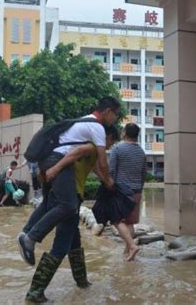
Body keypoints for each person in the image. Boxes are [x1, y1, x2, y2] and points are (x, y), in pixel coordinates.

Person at [17, 96, 120, 268]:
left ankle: (81, 283)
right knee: (68, 206)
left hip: (48, 159)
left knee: (53, 207)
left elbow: (94, 164)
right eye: (115, 114)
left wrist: (104, 178)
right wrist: (109, 181)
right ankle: (30, 239)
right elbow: (102, 162)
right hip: (58, 160)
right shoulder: (97, 128)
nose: (114, 118)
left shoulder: (85, 121)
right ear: (108, 111)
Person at [23, 126, 120, 303]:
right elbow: (73, 155)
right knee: (61, 245)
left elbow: (98, 170)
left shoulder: (92, 153)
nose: (109, 146)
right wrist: (54, 169)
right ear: (107, 137)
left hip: (71, 197)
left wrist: (109, 183)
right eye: (112, 142)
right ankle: (35, 292)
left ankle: (82, 282)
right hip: (69, 197)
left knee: (74, 242)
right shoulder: (90, 146)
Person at [108, 123, 147, 262]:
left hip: (121, 191)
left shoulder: (117, 149)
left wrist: (109, 188)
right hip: (136, 190)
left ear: (124, 133)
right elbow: (143, 174)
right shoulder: (141, 152)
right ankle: (127, 253)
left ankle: (132, 246)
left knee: (116, 219)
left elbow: (111, 171)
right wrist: (140, 189)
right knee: (129, 222)